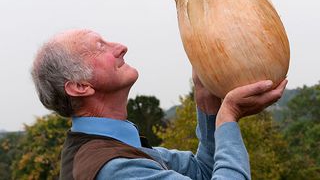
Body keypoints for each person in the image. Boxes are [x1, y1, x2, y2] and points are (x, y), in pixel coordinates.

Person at [31, 29, 287, 180]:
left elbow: (203, 172)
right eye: (100, 46)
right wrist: (228, 116)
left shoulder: (121, 150)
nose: (121, 47)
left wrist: (207, 102)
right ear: (80, 86)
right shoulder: (113, 168)